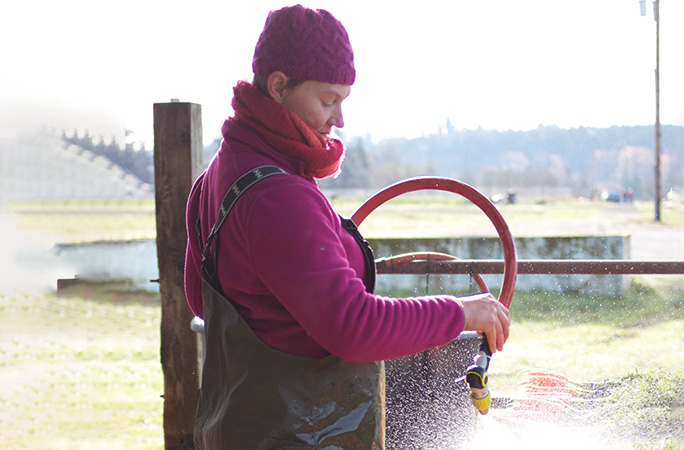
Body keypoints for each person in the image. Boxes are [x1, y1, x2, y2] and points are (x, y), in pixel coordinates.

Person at [183, 4, 510, 449]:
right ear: (279, 86)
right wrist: (465, 311)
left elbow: (202, 299)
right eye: (328, 99)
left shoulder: (220, 174)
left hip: (237, 430)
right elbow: (354, 327)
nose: (339, 120)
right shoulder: (279, 196)